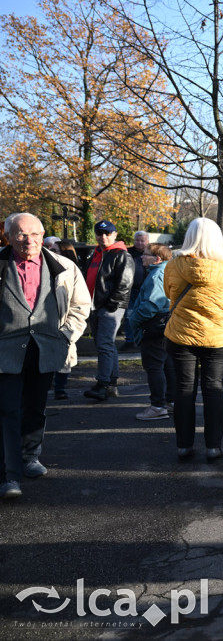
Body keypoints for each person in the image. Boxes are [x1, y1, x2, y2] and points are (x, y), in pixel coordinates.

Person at [0, 213, 90, 499]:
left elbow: (81, 305)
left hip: (46, 349)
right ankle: (9, 476)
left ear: (43, 235)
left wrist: (65, 335)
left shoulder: (63, 266)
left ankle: (29, 457)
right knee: (7, 411)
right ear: (9, 236)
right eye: (21, 234)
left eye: (35, 234)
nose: (29, 240)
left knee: (36, 407)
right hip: (4, 351)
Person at [164, 218, 223, 462]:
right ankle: (213, 447)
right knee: (213, 389)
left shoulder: (174, 264)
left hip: (180, 335)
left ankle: (183, 446)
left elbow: (169, 293)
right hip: (217, 338)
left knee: (184, 389)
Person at [83, 220, 134, 401]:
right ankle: (111, 384)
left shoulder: (121, 255)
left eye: (107, 233)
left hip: (110, 307)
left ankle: (102, 383)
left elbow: (125, 283)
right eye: (99, 233)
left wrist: (112, 304)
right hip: (95, 306)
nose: (103, 237)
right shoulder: (96, 254)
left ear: (114, 234)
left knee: (104, 344)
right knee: (105, 345)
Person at [126, 243, 176, 421]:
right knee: (166, 365)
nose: (141, 257)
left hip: (154, 327)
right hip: (164, 326)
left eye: (146, 254)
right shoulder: (166, 271)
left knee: (155, 367)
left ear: (157, 258)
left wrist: (133, 320)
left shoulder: (157, 275)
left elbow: (151, 305)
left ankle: (158, 406)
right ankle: (169, 402)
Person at [51, 240, 81, 400]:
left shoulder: (72, 270)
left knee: (65, 357)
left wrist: (71, 326)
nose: (52, 252)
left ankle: (60, 387)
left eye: (56, 249)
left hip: (64, 320)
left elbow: (79, 302)